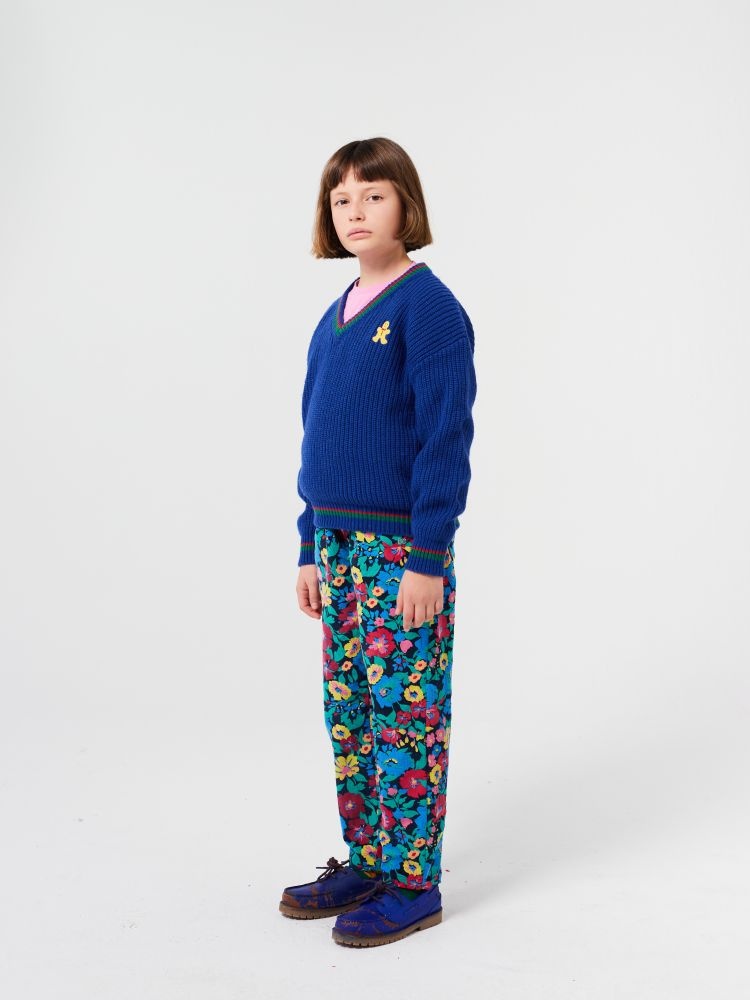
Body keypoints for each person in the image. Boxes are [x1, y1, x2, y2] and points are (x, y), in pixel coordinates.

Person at [279, 137, 477, 947]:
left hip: (402, 556)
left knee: (406, 713)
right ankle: (368, 859)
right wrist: (307, 543)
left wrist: (428, 557)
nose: (355, 212)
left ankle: (414, 881)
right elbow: (316, 439)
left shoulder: (428, 309)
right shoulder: (334, 318)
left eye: (373, 195)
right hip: (336, 549)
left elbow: (444, 440)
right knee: (354, 711)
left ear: (406, 206)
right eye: (341, 200)